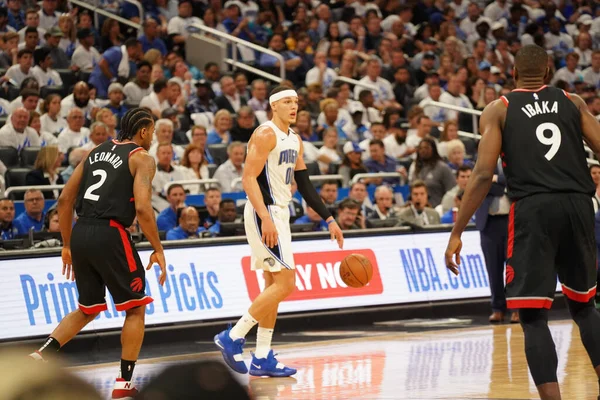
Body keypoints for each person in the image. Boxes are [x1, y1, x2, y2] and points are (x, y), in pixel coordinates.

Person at [445, 44, 600, 400]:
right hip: (578, 204)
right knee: (584, 308)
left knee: (532, 316)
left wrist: (457, 231)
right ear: (548, 73)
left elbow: (484, 174)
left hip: (533, 209)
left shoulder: (498, 109)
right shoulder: (572, 101)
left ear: (513, 75)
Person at [28, 108, 166, 400]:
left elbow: (65, 199)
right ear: (143, 131)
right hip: (111, 232)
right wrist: (157, 248)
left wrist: (66, 244)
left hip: (81, 232)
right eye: (152, 131)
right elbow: (142, 209)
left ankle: (40, 356)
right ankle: (124, 382)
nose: (153, 137)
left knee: (88, 307)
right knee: (135, 307)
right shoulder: (142, 157)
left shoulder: (94, 152)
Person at [214, 86, 344, 378]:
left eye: (296, 102)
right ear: (274, 106)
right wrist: (265, 217)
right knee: (286, 285)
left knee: (272, 289)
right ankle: (233, 335)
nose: (293, 106)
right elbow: (247, 179)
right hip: (266, 212)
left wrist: (329, 218)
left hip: (279, 213)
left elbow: (306, 185)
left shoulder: (294, 139)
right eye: (287, 101)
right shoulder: (265, 133)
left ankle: (261, 357)